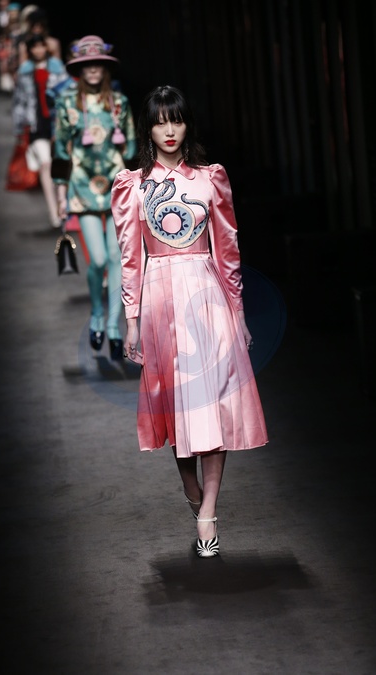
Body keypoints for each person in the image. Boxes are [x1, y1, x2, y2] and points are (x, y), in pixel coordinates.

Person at [110, 85, 268, 558]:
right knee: (174, 408)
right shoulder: (133, 185)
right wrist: (132, 319)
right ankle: (192, 491)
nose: (169, 130)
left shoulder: (209, 178)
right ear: (147, 128)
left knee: (211, 403)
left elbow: (228, 251)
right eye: (160, 121)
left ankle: (208, 513)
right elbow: (130, 258)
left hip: (206, 296)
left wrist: (238, 313)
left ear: (187, 125)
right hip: (159, 300)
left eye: (176, 120)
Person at [52, 35, 137, 360]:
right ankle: (97, 314)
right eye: (86, 64)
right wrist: (61, 194)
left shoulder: (119, 103)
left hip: (117, 185)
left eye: (97, 64)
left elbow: (131, 147)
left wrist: (138, 188)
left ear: (105, 67)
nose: (92, 69)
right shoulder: (68, 103)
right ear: (79, 68)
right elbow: (60, 150)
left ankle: (113, 326)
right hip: (82, 186)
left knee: (116, 257)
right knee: (98, 259)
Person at [12, 33, 71, 226]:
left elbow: (67, 95)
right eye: (34, 47)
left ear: (46, 47)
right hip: (36, 125)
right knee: (46, 164)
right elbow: (19, 101)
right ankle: (54, 212)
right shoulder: (24, 72)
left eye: (41, 46)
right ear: (30, 50)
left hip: (57, 123)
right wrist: (19, 129)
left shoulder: (58, 68)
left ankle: (65, 206)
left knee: (62, 164)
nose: (38, 50)